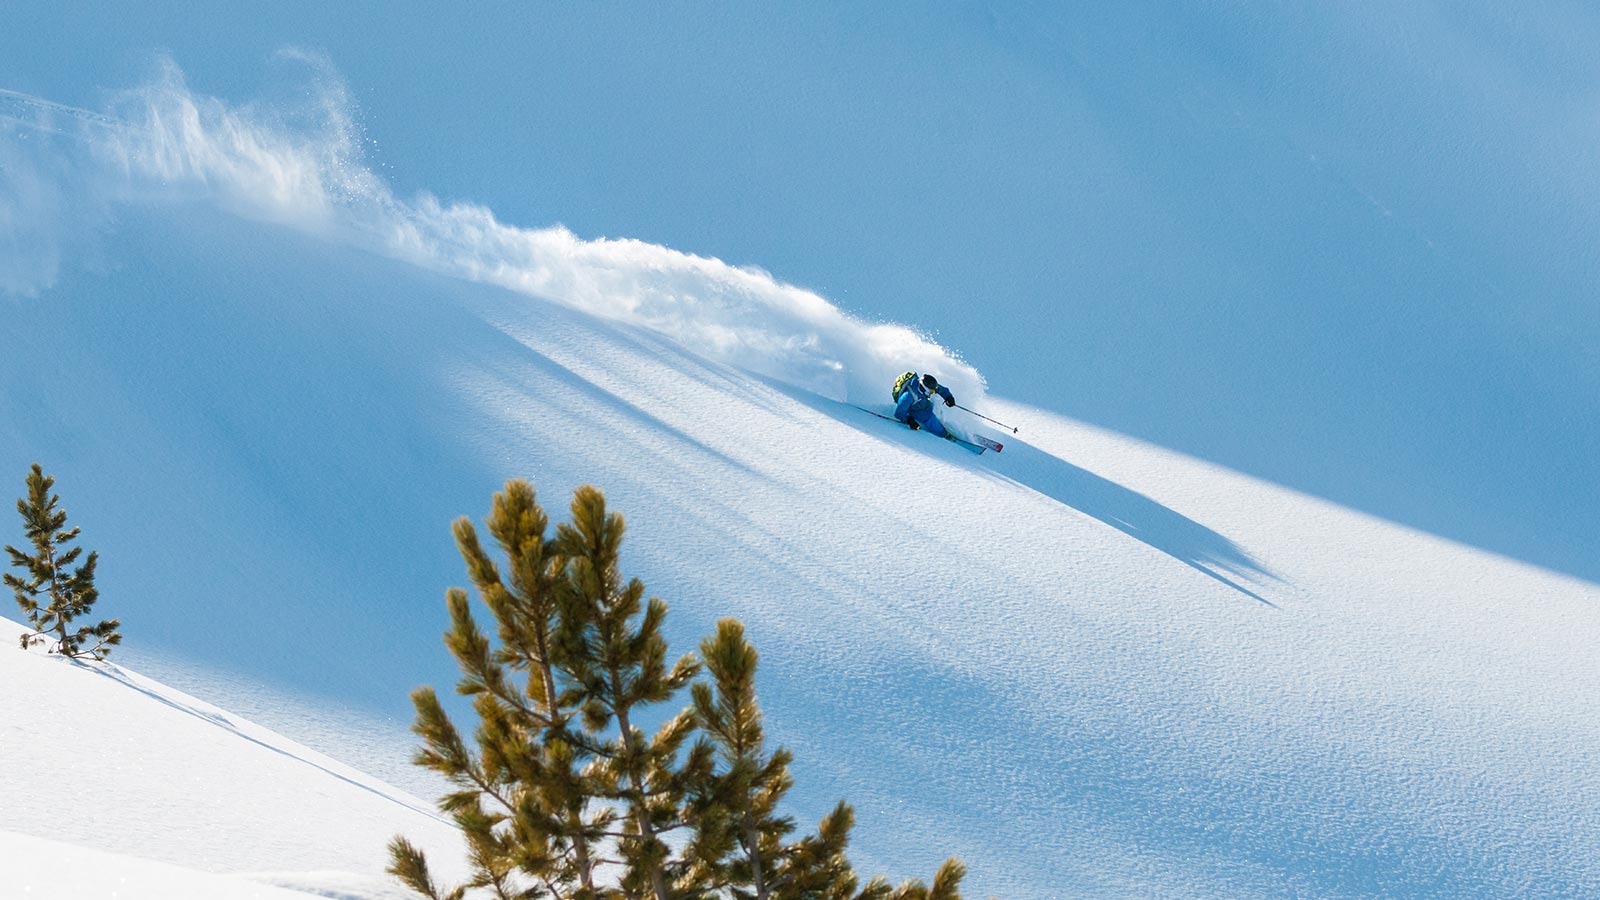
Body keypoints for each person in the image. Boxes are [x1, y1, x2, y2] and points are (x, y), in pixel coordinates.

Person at [891, 371, 957, 438]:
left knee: (936, 405)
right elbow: (899, 413)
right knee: (929, 417)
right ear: (924, 388)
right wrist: (909, 420)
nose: (932, 392)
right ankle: (943, 435)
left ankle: (942, 425)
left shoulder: (929, 386)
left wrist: (948, 397)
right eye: (931, 391)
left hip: (924, 402)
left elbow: (942, 390)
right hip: (914, 409)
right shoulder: (908, 396)